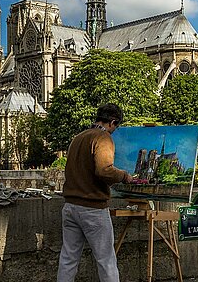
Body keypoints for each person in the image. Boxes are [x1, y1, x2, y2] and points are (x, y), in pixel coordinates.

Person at [57, 103, 134, 282]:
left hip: (70, 206)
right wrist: (124, 176)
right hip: (92, 208)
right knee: (106, 260)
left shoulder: (78, 137)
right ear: (112, 122)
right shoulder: (103, 138)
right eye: (116, 126)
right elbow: (104, 170)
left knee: (68, 259)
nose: (115, 131)